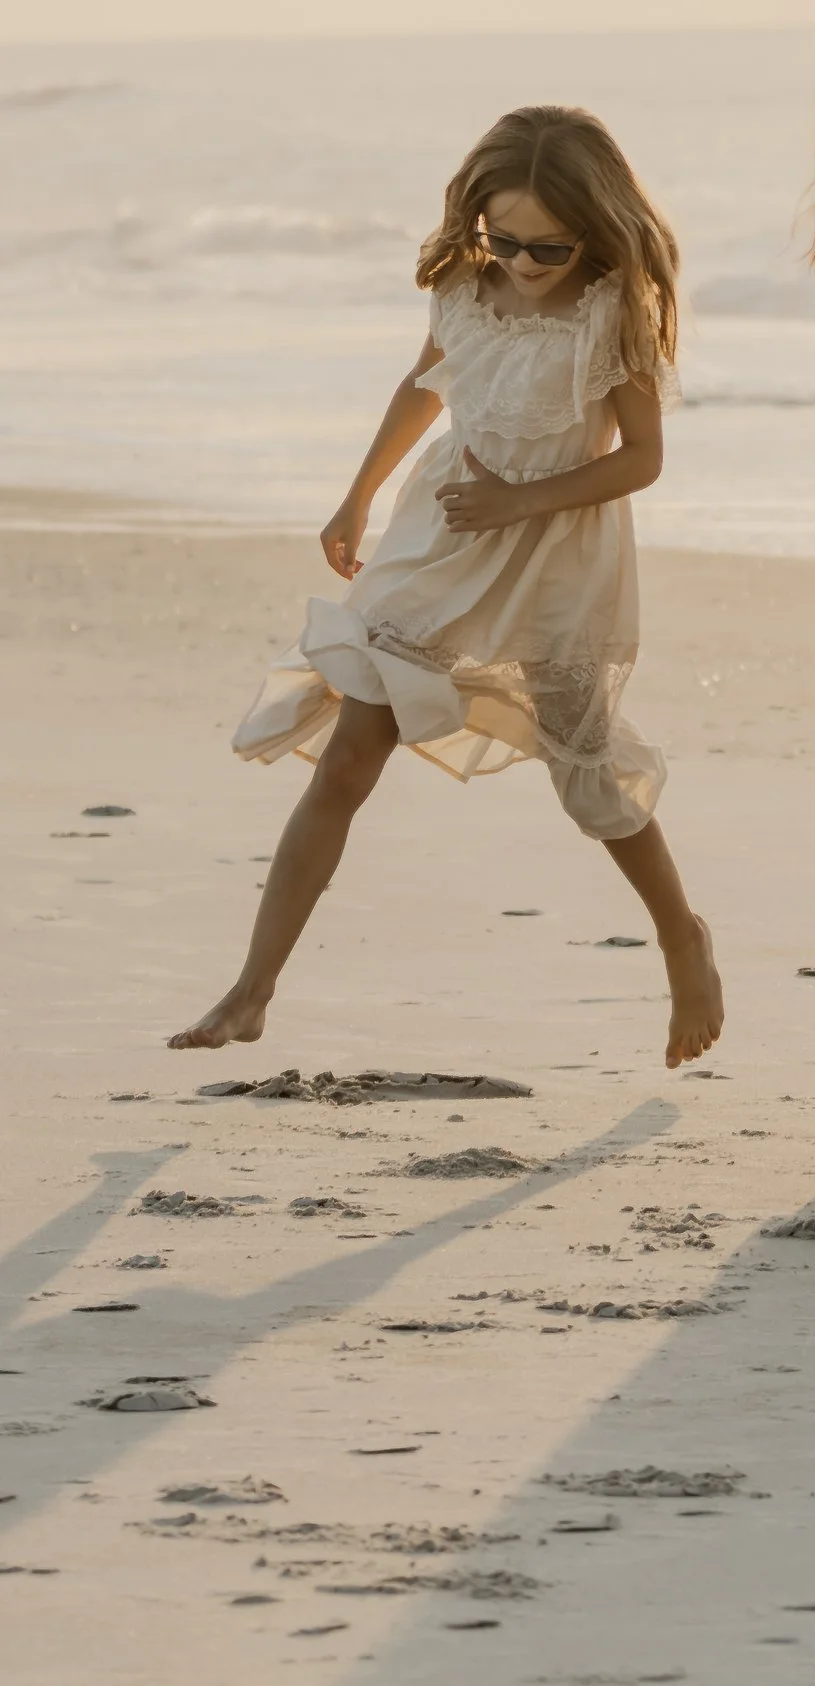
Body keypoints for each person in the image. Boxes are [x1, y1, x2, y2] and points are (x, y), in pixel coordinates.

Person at [175, 107, 724, 1072]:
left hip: (555, 550)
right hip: (442, 536)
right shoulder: (465, 289)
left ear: (595, 225)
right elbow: (423, 386)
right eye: (502, 237)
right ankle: (251, 990)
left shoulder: (611, 309)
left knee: (582, 765)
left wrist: (524, 500)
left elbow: (641, 461)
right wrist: (357, 496)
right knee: (350, 755)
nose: (521, 259)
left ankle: (682, 936)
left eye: (547, 244)